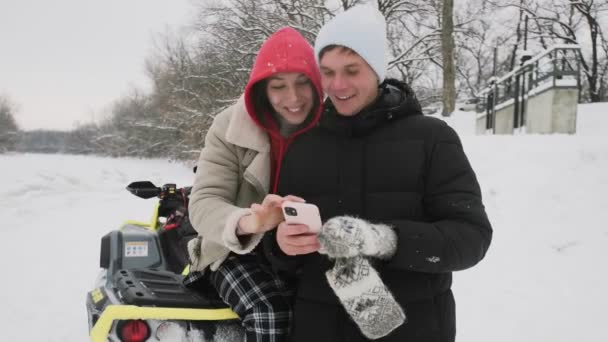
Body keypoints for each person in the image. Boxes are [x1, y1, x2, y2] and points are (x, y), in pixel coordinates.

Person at [263, 5, 493, 341]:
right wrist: (281, 244)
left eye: (352, 70)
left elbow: (470, 239)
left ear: (377, 68)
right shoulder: (302, 143)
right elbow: (278, 248)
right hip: (319, 326)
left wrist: (382, 240)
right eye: (327, 72)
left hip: (413, 328)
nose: (338, 85)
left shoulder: (432, 138)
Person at [186, 27, 323, 341]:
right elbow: (204, 202)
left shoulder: (330, 125)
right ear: (261, 90)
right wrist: (251, 221)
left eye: (303, 82)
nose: (293, 98)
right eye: (279, 86)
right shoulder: (228, 127)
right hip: (234, 250)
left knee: (361, 309)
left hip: (307, 246)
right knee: (270, 312)